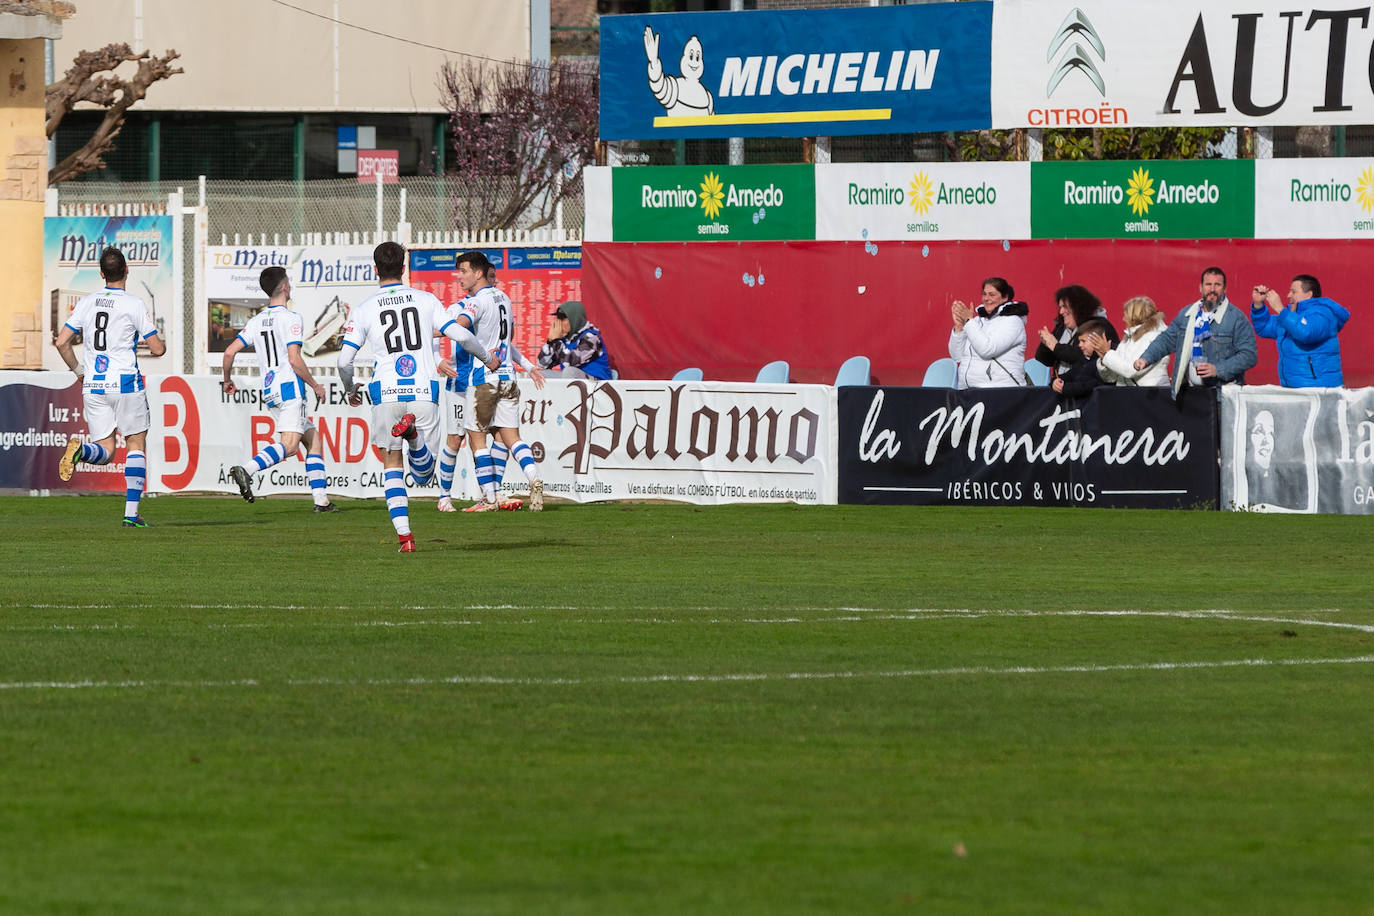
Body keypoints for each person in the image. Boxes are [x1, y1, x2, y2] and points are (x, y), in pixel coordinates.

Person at [337, 241, 499, 552]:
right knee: (424, 476)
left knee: (391, 463)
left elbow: (344, 361)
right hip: (424, 389)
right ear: (403, 268)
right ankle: (413, 436)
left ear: (375, 270)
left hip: (385, 392)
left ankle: (406, 537)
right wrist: (487, 358)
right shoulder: (426, 300)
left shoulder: (365, 308)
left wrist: (349, 390)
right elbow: (462, 335)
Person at [54, 247, 167, 527]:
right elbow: (157, 349)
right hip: (125, 382)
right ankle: (131, 515)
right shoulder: (134, 304)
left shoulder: (87, 302)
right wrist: (150, 343)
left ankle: (81, 452)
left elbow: (61, 342)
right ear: (127, 270)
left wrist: (79, 371)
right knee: (136, 444)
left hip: (93, 384)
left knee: (104, 451)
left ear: (102, 274)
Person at [220, 266, 338, 512]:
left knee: (312, 441)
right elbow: (294, 360)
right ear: (284, 287)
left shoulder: (256, 321)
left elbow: (229, 352)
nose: (290, 285)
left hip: (270, 389)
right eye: (289, 282)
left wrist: (227, 379)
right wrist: (315, 385)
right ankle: (247, 469)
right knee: (291, 446)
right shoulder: (292, 318)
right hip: (289, 389)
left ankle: (321, 501)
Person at [449, 250, 546, 513]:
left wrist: (442, 326)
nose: (460, 277)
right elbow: (507, 341)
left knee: (476, 439)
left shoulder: (476, 301)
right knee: (513, 438)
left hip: (484, 379)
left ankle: (489, 499)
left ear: (478, 273)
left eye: (464, 271)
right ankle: (534, 479)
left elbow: (458, 329)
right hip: (509, 379)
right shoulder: (504, 298)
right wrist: (526, 365)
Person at [1136, 266, 1258, 398]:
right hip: (1188, 393)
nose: (1212, 289)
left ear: (1224, 289)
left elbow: (1249, 355)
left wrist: (1218, 369)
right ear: (1201, 287)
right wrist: (1146, 358)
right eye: (1208, 284)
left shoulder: (1236, 318)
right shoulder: (1187, 315)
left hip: (1221, 395)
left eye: (1217, 285)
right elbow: (1166, 340)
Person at [1250, 275, 1348, 387]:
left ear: (1309, 294)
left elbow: (1306, 333)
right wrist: (1258, 305)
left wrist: (1280, 309)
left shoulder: (1323, 314)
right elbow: (1264, 327)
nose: (1288, 295)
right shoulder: (1290, 315)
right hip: (1294, 389)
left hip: (1320, 390)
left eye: (1293, 292)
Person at [947, 277, 1029, 388]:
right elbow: (957, 356)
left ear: (1005, 298)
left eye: (992, 294)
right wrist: (959, 327)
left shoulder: (1013, 321)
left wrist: (968, 322)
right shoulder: (976, 321)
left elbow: (987, 349)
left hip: (1000, 392)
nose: (986, 298)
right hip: (968, 392)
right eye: (984, 294)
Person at [1082, 296, 1170, 387]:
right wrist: (1104, 360)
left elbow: (1131, 370)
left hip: (1149, 397)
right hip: (1128, 396)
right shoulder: (1128, 339)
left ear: (1135, 316)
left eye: (1125, 315)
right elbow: (1111, 378)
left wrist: (1107, 353)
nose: (1123, 319)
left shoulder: (1155, 339)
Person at [1034, 284, 1118, 379]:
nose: (1061, 311)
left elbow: (1086, 358)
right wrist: (1046, 344)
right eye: (1060, 307)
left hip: (1088, 387)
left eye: (1064, 306)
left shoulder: (1098, 326)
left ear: (1078, 306)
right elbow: (1045, 360)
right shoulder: (1061, 328)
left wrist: (1056, 347)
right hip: (1062, 386)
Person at [537, 301, 612, 380]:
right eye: (558, 317)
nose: (558, 322)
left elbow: (569, 362)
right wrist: (550, 341)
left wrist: (556, 341)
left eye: (562, 317)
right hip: (573, 381)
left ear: (574, 318)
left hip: (597, 384)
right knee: (537, 375)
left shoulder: (591, 338)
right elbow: (542, 364)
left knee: (569, 372)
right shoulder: (564, 340)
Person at [1051, 317, 1110, 398]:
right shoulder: (1082, 361)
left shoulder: (1102, 363)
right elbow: (1068, 375)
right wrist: (1055, 382)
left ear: (1096, 340)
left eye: (1083, 341)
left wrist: (1066, 388)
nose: (1080, 345)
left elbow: (1090, 385)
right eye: (1079, 341)